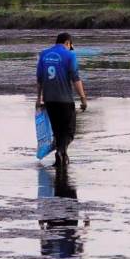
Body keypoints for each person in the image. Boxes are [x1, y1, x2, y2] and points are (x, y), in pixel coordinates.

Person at [36, 32, 88, 168]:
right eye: (70, 45)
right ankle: (60, 152)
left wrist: (38, 98)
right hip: (65, 100)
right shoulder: (70, 55)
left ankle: (61, 159)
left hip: (49, 101)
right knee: (69, 132)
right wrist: (83, 98)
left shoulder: (44, 54)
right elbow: (75, 78)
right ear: (67, 43)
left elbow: (40, 79)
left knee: (58, 132)